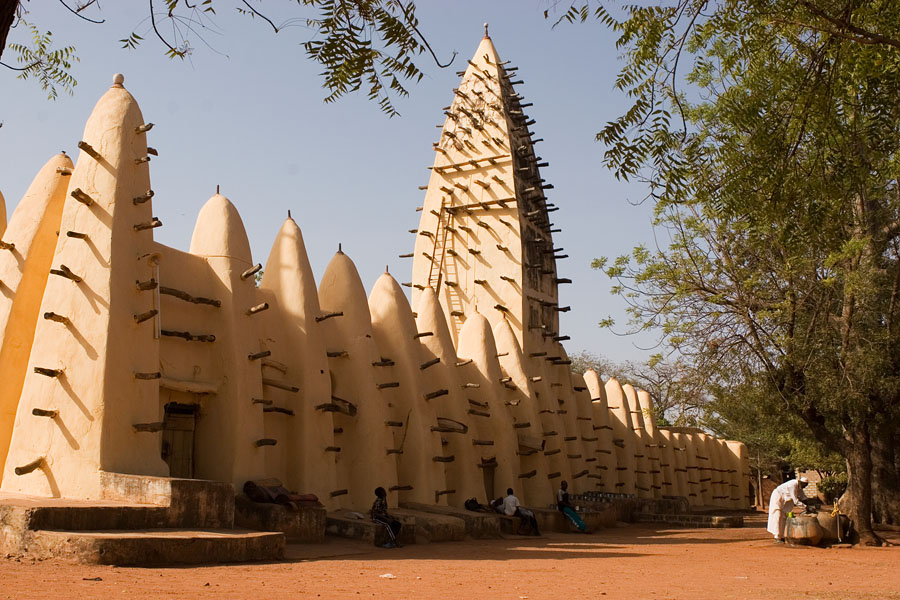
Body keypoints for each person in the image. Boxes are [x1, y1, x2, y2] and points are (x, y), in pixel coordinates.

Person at [767, 476, 809, 544]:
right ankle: (777, 537)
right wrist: (805, 507)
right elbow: (795, 500)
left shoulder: (800, 487)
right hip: (778, 497)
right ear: (800, 482)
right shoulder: (792, 485)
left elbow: (803, 497)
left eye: (806, 485)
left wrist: (808, 505)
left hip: (785, 500)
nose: (805, 487)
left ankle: (782, 536)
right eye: (804, 485)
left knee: (784, 517)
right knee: (777, 515)